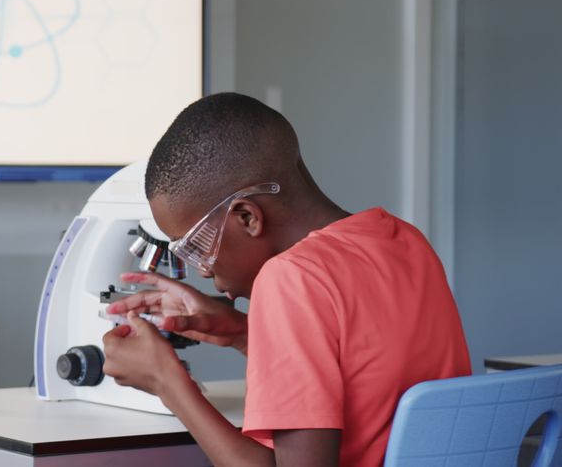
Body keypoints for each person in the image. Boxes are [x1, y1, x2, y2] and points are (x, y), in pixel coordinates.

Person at [101, 93, 470, 466]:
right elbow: (364, 369)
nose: (204, 270)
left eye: (198, 247)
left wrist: (167, 382)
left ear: (247, 217)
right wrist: (243, 332)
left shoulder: (289, 280)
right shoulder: (404, 240)